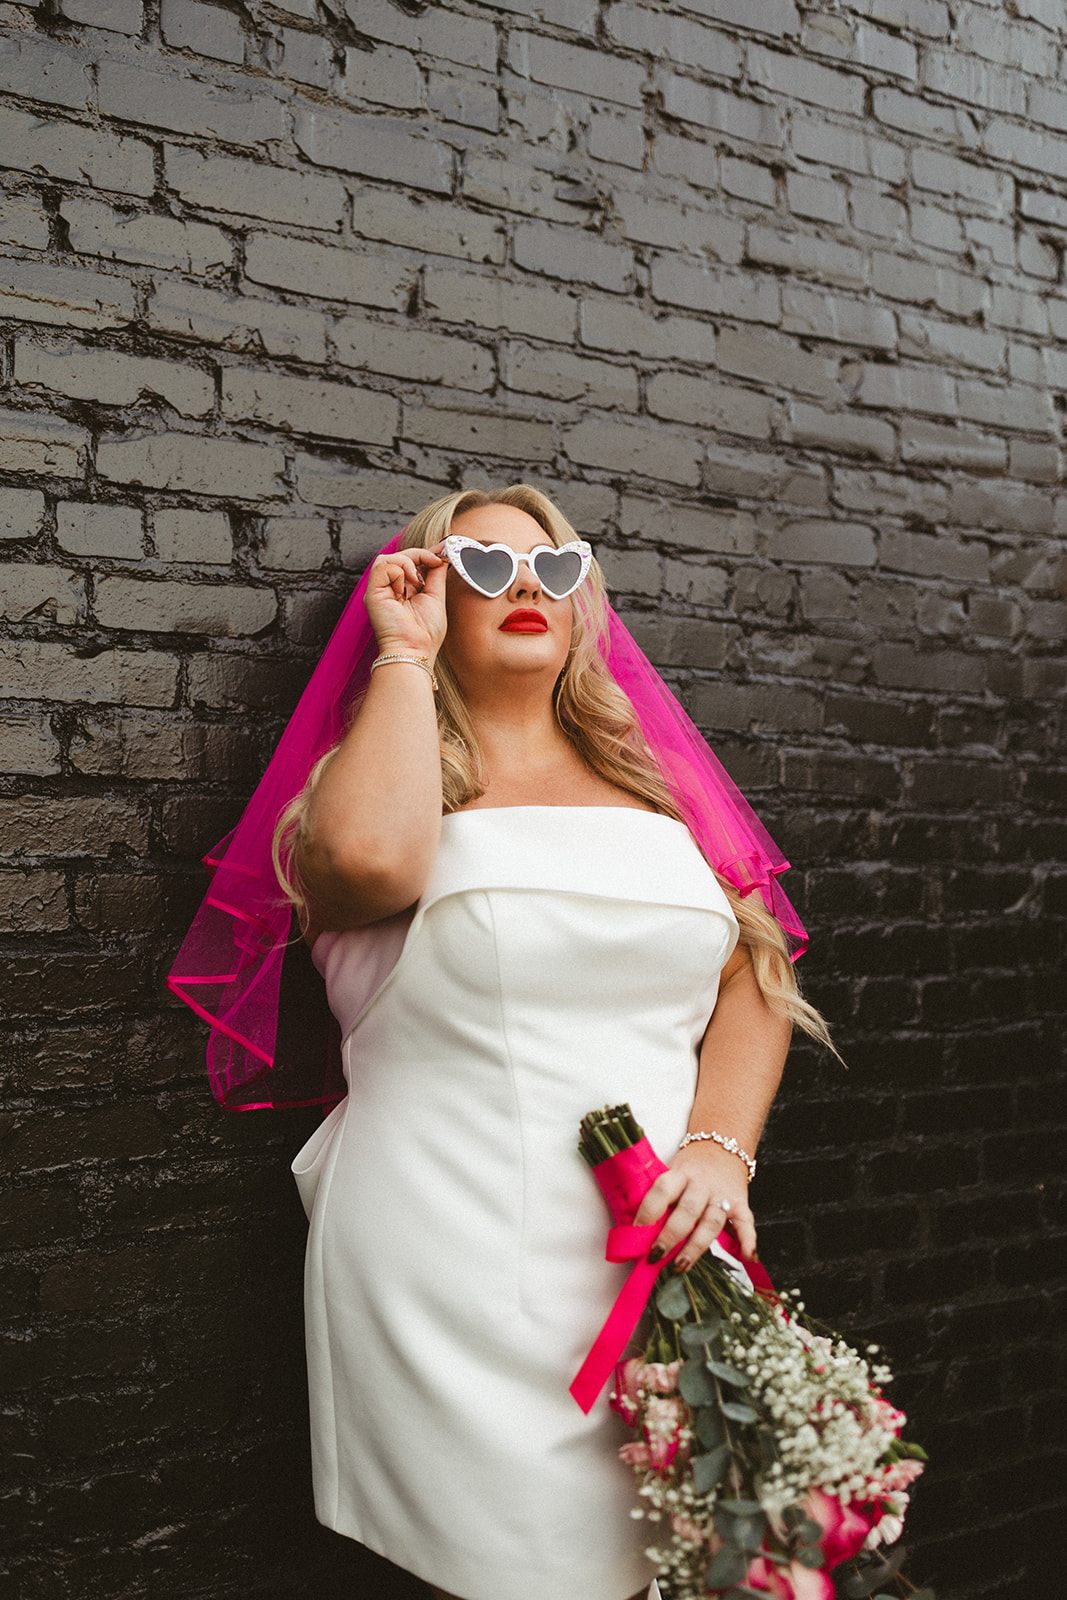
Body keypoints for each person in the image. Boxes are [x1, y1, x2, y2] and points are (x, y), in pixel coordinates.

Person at [173, 484, 833, 1600]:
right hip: (451, 1255)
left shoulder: (654, 794)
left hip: (657, 1251)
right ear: (434, 594)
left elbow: (754, 973)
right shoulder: (371, 778)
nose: (523, 583)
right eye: (479, 569)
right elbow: (372, 869)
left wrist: (720, 1147)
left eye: (553, 567)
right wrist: (400, 655)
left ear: (585, 603)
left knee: (697, 1562)